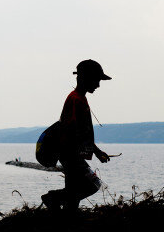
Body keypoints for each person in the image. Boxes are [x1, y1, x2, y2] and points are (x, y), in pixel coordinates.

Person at [41, 60, 112, 214]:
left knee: (73, 189)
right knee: (92, 184)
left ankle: (66, 216)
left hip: (70, 154)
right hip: (70, 154)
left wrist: (96, 151)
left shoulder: (80, 98)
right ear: (85, 78)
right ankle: (53, 199)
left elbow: (81, 132)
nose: (98, 85)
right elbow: (76, 131)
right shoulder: (76, 99)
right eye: (96, 80)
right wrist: (94, 151)